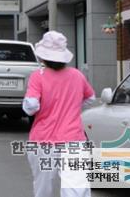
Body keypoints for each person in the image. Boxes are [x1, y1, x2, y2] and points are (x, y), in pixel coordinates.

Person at [23, 31, 96, 197]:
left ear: (42, 56)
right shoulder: (77, 75)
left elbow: (31, 106)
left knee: (43, 186)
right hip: (74, 140)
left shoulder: (37, 77)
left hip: (43, 141)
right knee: (76, 187)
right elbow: (91, 98)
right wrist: (73, 106)